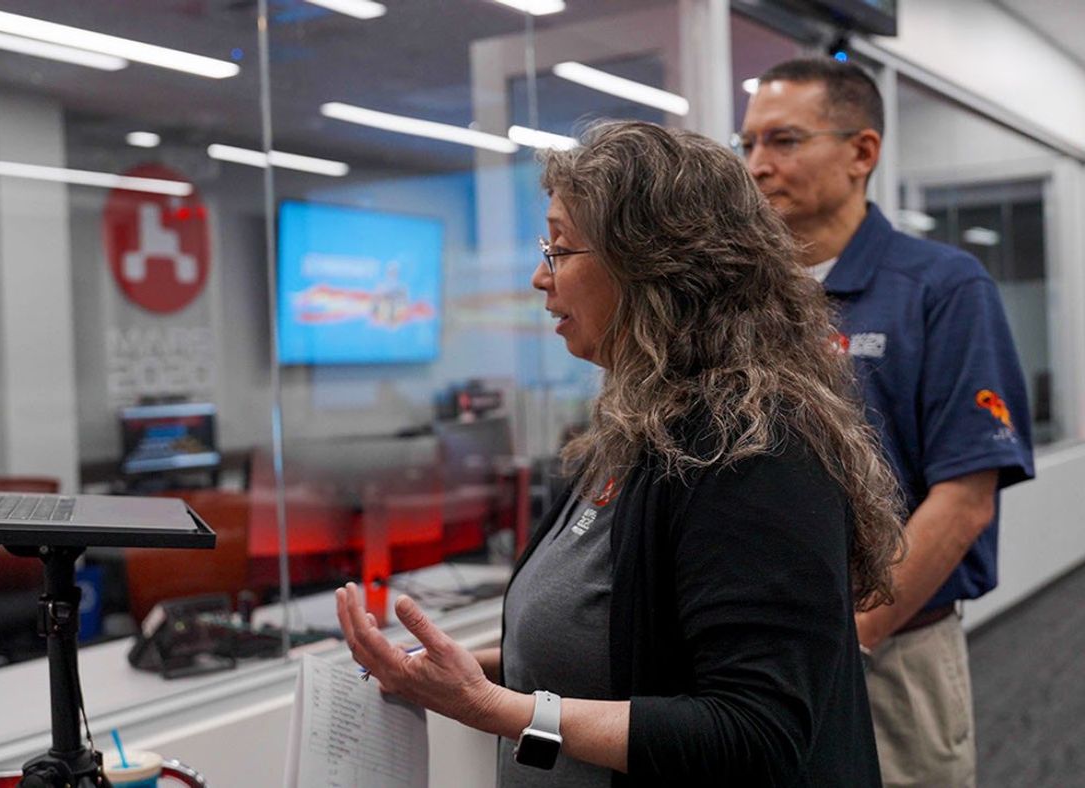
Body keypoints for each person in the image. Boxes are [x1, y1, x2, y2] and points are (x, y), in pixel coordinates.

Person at [335, 119, 906, 786]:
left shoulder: (754, 447)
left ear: (652, 264)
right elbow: (619, 649)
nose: (538, 278)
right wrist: (456, 674)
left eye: (561, 251)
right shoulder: (640, 425)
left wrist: (501, 710)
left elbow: (756, 730)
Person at [739, 58, 1037, 787]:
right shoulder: (742, 298)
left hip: (889, 651)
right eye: (746, 145)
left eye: (783, 141)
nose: (756, 167)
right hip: (752, 657)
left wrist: (851, 638)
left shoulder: (941, 286)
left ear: (861, 153)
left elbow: (965, 498)